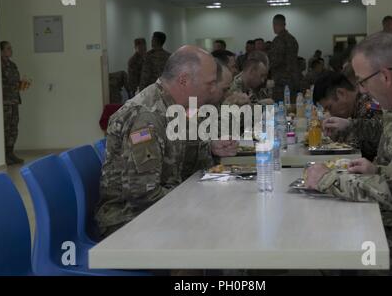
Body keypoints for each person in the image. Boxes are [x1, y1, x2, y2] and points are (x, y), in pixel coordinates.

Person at [306, 32, 392, 276]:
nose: (361, 90)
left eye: (362, 81)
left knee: (336, 245)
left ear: (385, 76)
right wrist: (377, 170)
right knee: (328, 232)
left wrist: (327, 180)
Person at [96, 46, 237, 238]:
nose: (214, 90)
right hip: (128, 220)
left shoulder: (175, 107)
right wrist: (197, 202)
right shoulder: (146, 119)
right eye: (210, 83)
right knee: (216, 224)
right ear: (184, 81)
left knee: (226, 210)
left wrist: (211, 146)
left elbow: (177, 150)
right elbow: (143, 195)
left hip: (160, 207)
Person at [313, 71, 383, 161]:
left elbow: (374, 143)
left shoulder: (368, 105)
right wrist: (337, 134)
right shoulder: (357, 107)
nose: (331, 113)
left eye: (330, 107)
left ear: (341, 93)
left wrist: (349, 126)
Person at [0, 41, 25, 165]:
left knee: (13, 128)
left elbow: (14, 81)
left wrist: (22, 84)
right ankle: (2, 155)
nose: (11, 50)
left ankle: (10, 153)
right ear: (1, 51)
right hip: (4, 102)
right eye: (8, 48)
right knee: (4, 128)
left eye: (11, 48)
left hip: (14, 100)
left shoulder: (12, 65)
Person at [269, 14, 299, 101]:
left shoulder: (278, 40)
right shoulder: (293, 39)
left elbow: (275, 61)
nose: (273, 27)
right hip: (293, 80)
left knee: (280, 108)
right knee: (291, 106)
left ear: (276, 24)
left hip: (281, 82)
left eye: (274, 25)